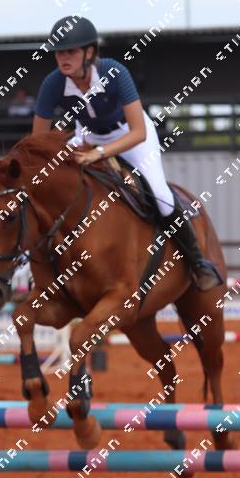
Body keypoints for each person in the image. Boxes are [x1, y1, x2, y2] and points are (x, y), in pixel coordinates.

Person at [31, 16, 222, 291]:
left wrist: (99, 153)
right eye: (59, 52)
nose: (63, 58)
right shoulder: (52, 83)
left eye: (70, 51)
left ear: (89, 52)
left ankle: (198, 263)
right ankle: (34, 265)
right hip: (86, 136)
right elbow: (37, 143)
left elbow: (138, 132)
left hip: (131, 136)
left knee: (162, 198)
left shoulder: (114, 72)